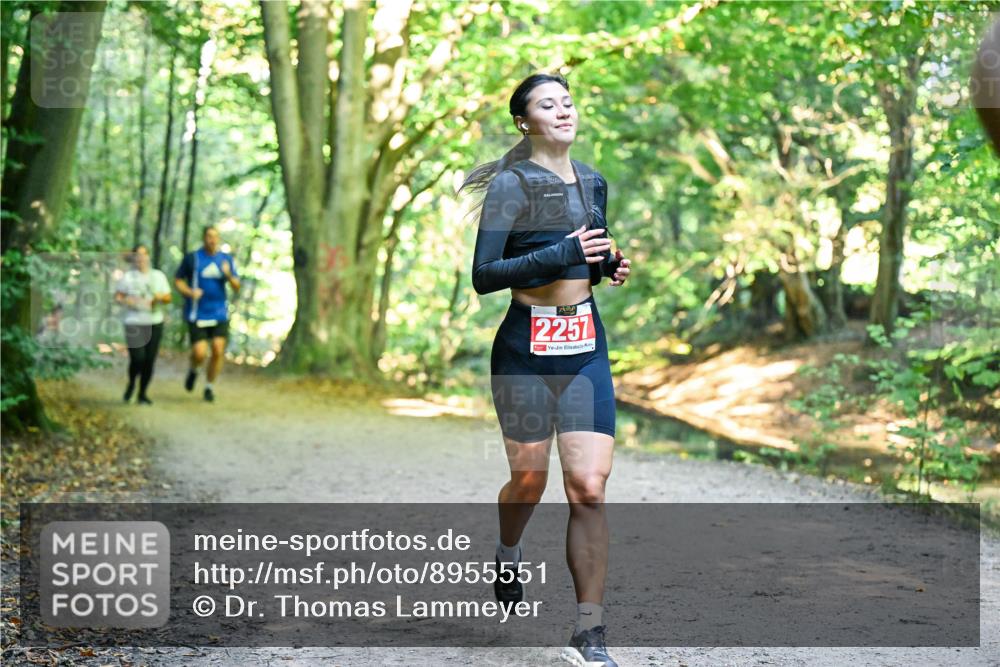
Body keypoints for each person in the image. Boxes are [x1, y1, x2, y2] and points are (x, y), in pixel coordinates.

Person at [461, 73, 632, 667]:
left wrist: (608, 264)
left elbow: (590, 248)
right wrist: (566, 253)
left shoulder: (593, 181)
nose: (562, 110)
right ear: (524, 121)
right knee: (529, 482)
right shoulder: (512, 185)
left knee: (588, 487)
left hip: (584, 345)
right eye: (547, 104)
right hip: (525, 353)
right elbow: (485, 275)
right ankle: (508, 553)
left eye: (567, 101)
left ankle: (590, 633)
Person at [174, 225, 240, 402]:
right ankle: (194, 370)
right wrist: (189, 292)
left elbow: (236, 286)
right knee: (199, 353)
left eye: (215, 236)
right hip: (197, 313)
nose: (212, 240)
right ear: (204, 238)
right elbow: (178, 280)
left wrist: (228, 274)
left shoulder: (225, 260)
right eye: (209, 236)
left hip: (219, 312)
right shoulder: (192, 259)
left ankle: (209, 386)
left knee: (218, 350)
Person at [114, 244, 172, 404]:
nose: (141, 258)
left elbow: (168, 297)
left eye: (143, 254)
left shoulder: (158, 276)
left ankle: (142, 393)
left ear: (148, 256)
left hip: (154, 322)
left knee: (149, 360)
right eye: (137, 255)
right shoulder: (128, 277)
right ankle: (132, 383)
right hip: (133, 322)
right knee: (137, 358)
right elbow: (118, 296)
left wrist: (158, 298)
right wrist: (127, 300)